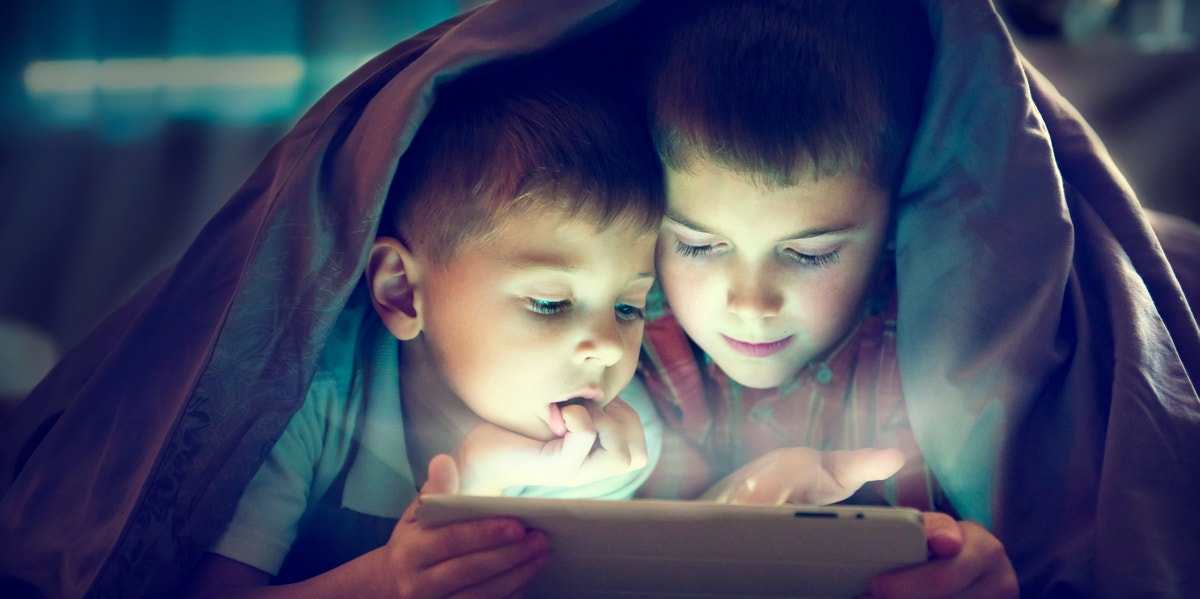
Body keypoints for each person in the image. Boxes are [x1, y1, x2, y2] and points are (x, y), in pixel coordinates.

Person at [0, 6, 664, 598]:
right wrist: (385, 579)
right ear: (402, 293)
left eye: (630, 307)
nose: (606, 346)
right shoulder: (311, 400)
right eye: (550, 302)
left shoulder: (617, 431)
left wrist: (565, 482)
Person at [631, 0, 1200, 597]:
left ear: (894, 223)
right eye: (698, 244)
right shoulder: (636, 325)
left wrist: (983, 566)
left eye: (810, 253)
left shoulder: (942, 341)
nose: (750, 303)